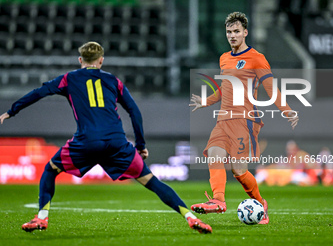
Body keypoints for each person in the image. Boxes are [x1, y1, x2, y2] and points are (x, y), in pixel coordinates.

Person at [0, 42, 212, 234]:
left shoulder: (69, 78)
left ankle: (42, 218)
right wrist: (140, 145)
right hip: (116, 142)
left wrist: (10, 112)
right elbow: (134, 111)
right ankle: (191, 218)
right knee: (151, 181)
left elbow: (38, 92)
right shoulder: (113, 81)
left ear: (80, 60)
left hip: (86, 141)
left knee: (50, 170)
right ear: (101, 60)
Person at [189, 12, 299, 224]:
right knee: (214, 153)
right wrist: (206, 101)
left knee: (238, 170)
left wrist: (286, 109)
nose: (232, 35)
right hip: (223, 119)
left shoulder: (257, 58)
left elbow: (270, 88)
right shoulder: (224, 58)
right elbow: (225, 87)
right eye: (229, 32)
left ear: (245, 33)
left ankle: (261, 204)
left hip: (245, 120)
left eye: (236, 31)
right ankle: (218, 201)